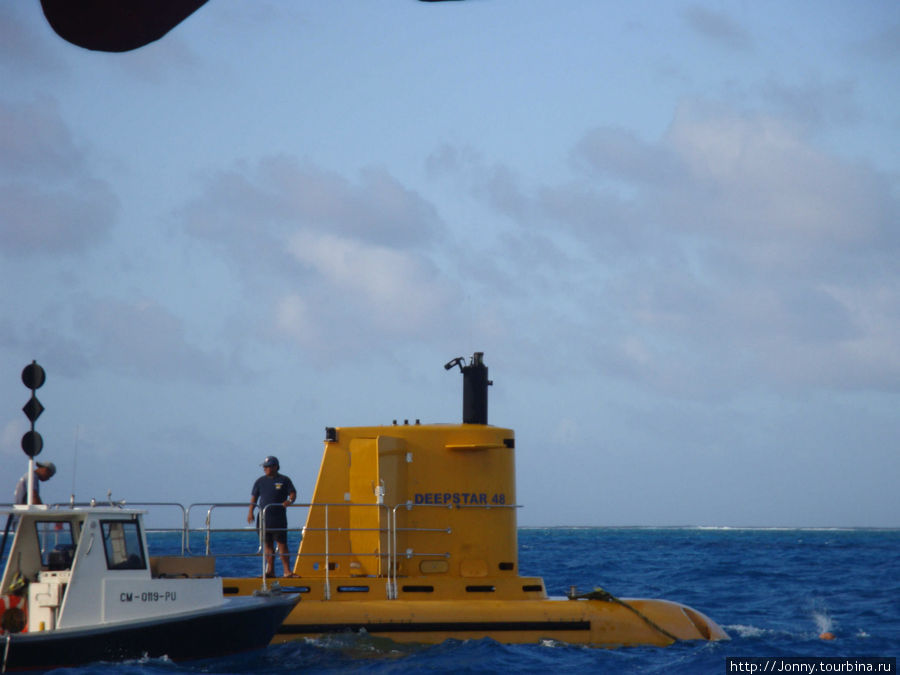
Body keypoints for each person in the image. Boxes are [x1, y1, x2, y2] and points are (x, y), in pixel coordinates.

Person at [247, 456, 297, 577]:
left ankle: (287, 571)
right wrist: (250, 512)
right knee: (268, 545)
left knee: (282, 544)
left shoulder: (284, 480)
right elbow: (254, 497)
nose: (265, 469)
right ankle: (270, 571)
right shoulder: (260, 481)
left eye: (268, 466)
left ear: (275, 466)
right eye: (264, 466)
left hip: (278, 518)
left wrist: (289, 501)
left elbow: (293, 493)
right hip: (264, 518)